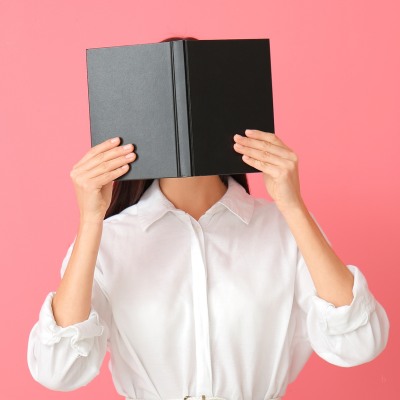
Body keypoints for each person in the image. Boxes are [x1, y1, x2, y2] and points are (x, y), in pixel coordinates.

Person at [27, 37, 389, 400]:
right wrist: (92, 221)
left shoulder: (283, 231)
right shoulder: (110, 241)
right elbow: (58, 370)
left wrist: (292, 205)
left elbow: (359, 344)